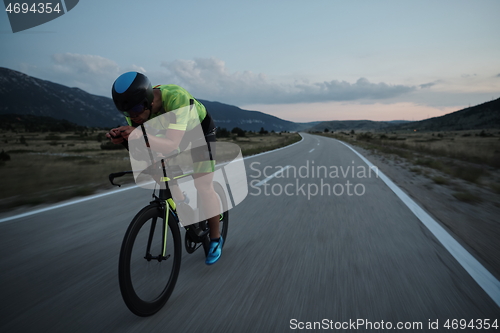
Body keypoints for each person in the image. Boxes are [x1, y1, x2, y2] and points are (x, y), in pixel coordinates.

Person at [106, 71, 223, 265]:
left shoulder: (176, 97)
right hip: (170, 134)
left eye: (135, 110)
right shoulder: (135, 114)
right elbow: (143, 150)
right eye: (127, 114)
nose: (133, 118)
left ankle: (216, 239)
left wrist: (137, 135)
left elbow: (170, 144)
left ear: (149, 101)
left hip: (199, 132)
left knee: (203, 185)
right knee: (158, 169)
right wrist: (124, 140)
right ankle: (181, 203)